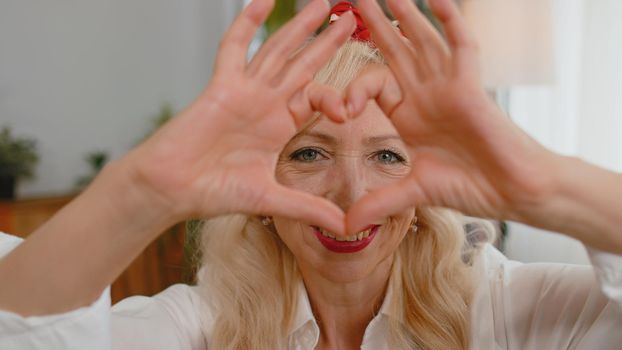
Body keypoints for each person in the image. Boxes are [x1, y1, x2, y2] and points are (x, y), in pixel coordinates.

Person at [1, 0, 621, 349]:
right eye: (308, 154)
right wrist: (144, 191)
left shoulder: (515, 312)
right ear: (260, 192)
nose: (351, 199)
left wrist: (542, 184)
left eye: (388, 157)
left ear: (427, 191)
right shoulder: (198, 325)